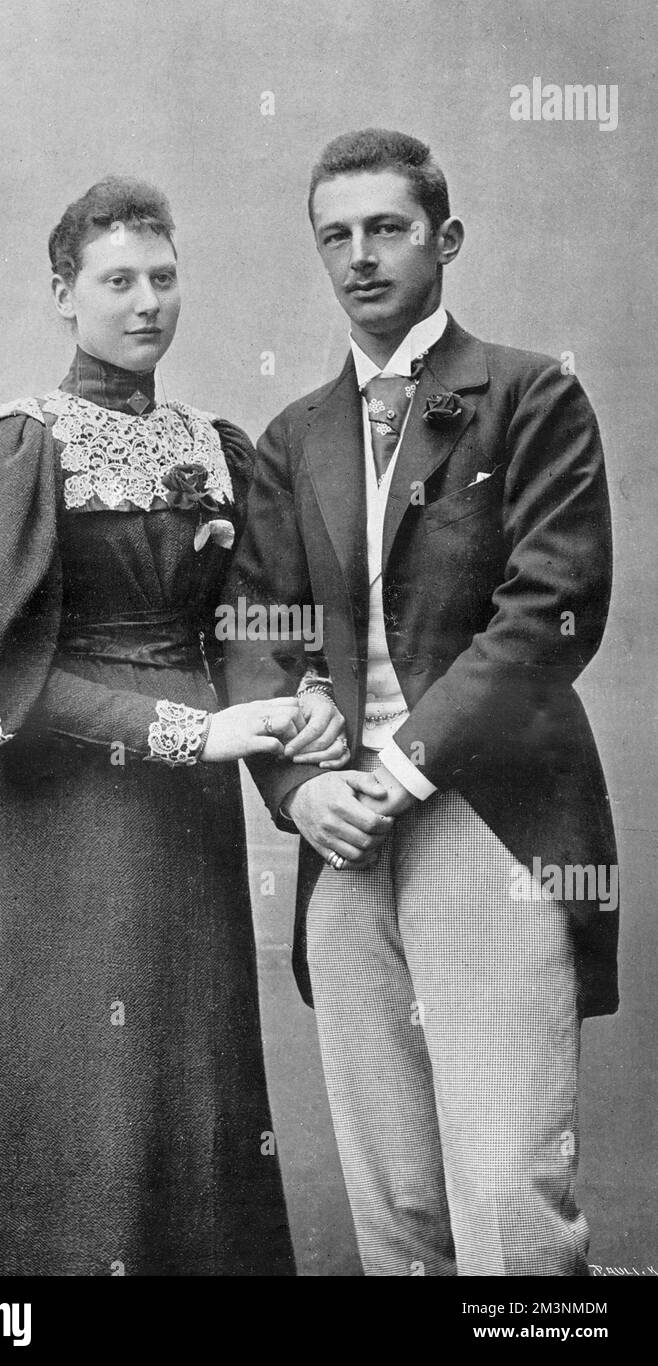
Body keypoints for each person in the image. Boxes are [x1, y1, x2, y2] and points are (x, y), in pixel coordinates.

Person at [0, 176, 348, 1277]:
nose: (147, 303)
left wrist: (293, 697)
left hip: (185, 819)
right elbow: (0, 688)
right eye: (118, 281)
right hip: (52, 819)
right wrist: (193, 733)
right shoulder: (12, 448)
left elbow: (247, 624)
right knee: (54, 1077)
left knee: (181, 1075)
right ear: (63, 293)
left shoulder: (218, 445)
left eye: (163, 278)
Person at [225, 129, 619, 1276]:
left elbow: (548, 616)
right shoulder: (294, 438)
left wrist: (397, 772)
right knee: (395, 1205)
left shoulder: (532, 394)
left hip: (489, 819)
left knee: (507, 1196)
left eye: (386, 228)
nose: (360, 257)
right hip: (340, 843)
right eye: (334, 237)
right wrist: (300, 792)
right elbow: (256, 631)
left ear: (443, 239)